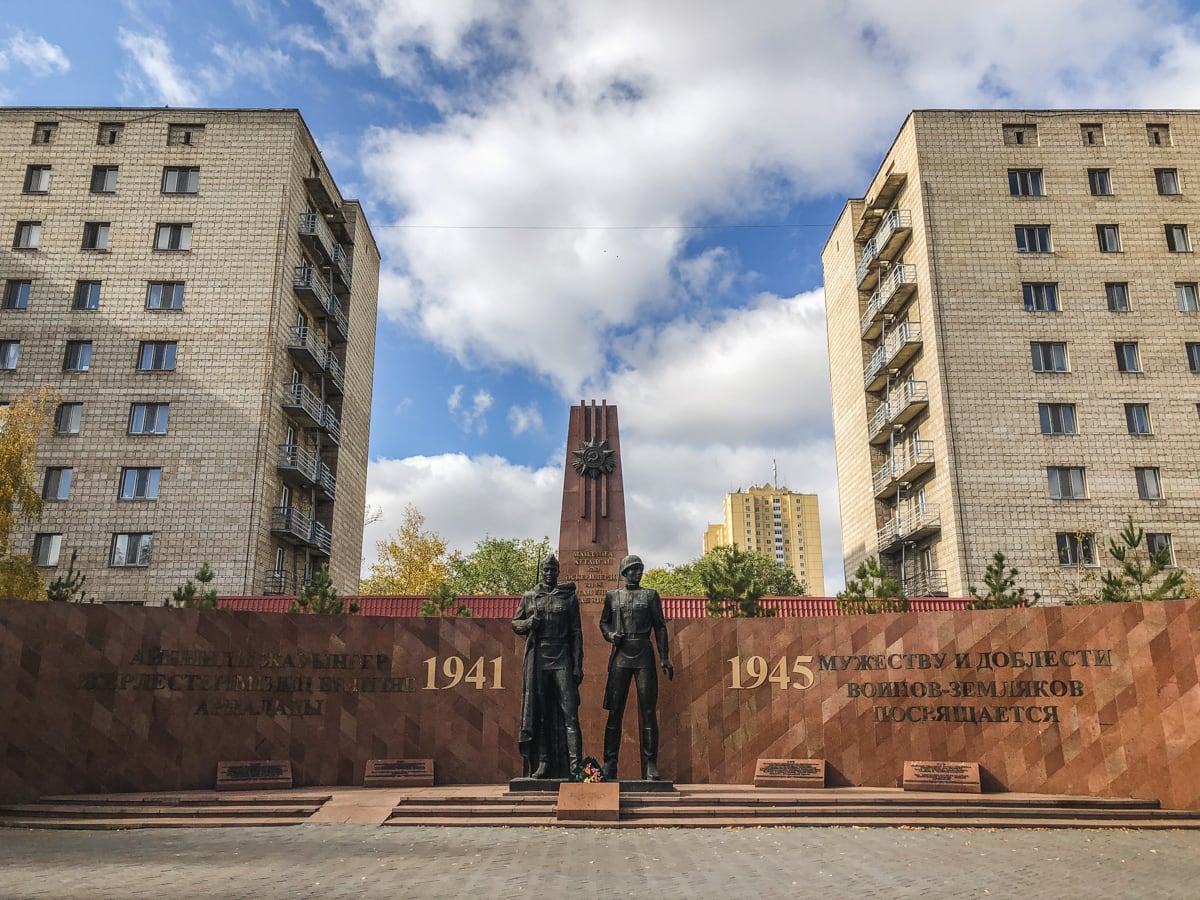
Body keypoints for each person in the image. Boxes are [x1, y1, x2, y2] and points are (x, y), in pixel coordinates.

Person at [599, 554, 673, 781]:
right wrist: (611, 635)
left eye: (640, 569)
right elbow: (603, 622)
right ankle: (610, 764)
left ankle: (650, 764)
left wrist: (664, 657)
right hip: (621, 654)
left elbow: (660, 627)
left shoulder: (650, 596)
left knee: (648, 711)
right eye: (633, 569)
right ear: (624, 573)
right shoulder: (613, 596)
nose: (638, 573)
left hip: (643, 652)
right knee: (615, 712)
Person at [512, 553, 584, 779]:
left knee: (570, 712)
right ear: (542, 572)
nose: (550, 573)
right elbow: (515, 623)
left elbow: (576, 633)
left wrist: (577, 665)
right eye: (546, 570)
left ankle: (576, 766)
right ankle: (543, 763)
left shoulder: (568, 598)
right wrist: (527, 623)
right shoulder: (530, 597)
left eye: (553, 569)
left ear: (558, 572)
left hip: (562, 655)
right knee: (540, 713)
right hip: (539, 657)